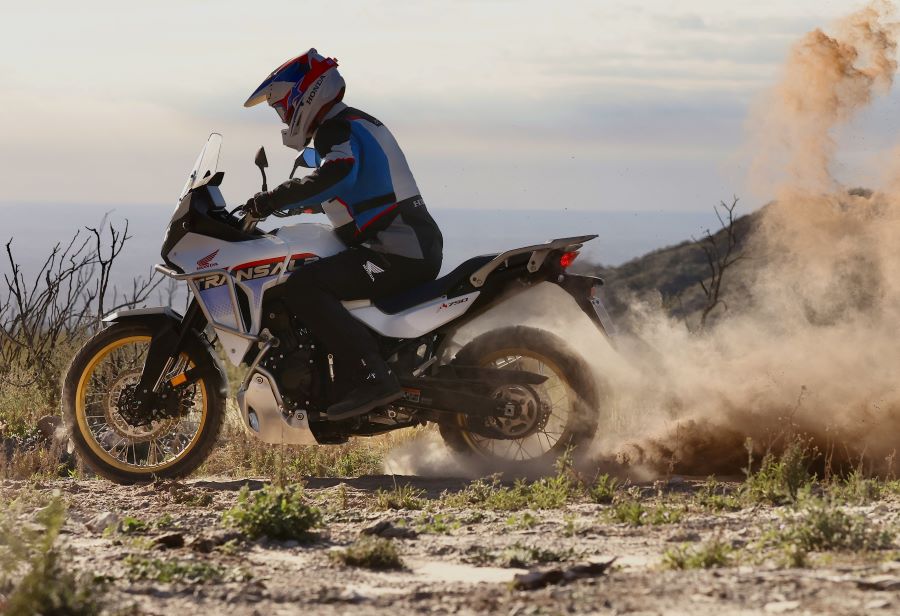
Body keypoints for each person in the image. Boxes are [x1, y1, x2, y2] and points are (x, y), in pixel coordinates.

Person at [242, 49, 443, 421]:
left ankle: (371, 378)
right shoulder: (350, 123)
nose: (284, 117)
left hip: (398, 248)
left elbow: (338, 175)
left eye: (282, 106)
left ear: (304, 95)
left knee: (304, 287)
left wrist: (269, 201)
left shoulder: (337, 128)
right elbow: (348, 191)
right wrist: (292, 206)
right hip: (406, 243)